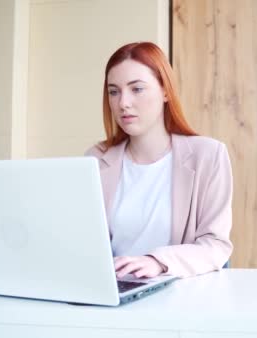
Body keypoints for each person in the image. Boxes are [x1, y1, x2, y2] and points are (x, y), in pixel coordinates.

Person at [85, 42, 233, 279]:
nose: (123, 103)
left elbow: (216, 245)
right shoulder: (95, 159)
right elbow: (84, 242)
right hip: (115, 294)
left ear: (165, 91)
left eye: (137, 89)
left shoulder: (208, 155)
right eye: (114, 91)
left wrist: (158, 262)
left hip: (181, 293)